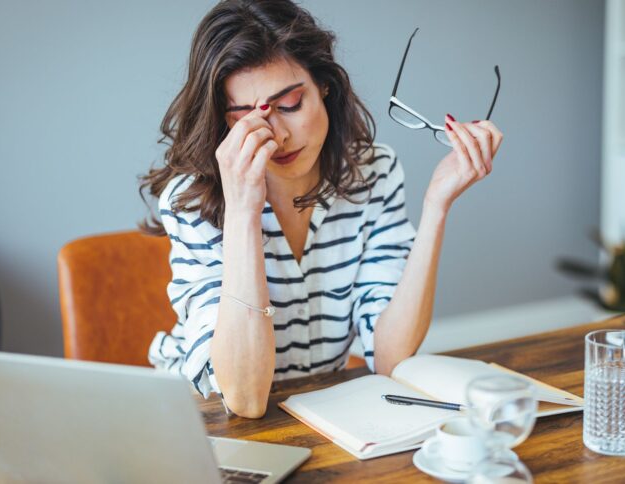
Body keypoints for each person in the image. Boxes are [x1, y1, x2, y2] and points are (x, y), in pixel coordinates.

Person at [140, 0, 503, 418]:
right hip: (199, 417)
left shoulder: (373, 173)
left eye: (290, 103)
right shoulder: (193, 201)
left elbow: (390, 360)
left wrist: (437, 207)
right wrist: (242, 212)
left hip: (314, 413)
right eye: (245, 116)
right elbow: (244, 398)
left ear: (324, 86)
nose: (275, 135)